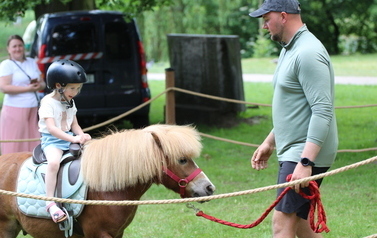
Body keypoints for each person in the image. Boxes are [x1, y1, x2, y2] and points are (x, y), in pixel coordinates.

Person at [249, 0, 338, 237]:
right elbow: (294, 108)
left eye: (267, 20)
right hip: (296, 150)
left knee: (282, 224)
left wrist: (306, 162)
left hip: (304, 152)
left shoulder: (308, 52)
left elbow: (322, 111)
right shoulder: (290, 48)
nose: (264, 27)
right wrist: (270, 141)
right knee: (301, 223)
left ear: (283, 16)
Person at [38, 59, 91, 223]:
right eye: (72, 88)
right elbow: (53, 129)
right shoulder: (47, 102)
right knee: (53, 163)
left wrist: (81, 136)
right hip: (52, 141)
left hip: (68, 137)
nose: (75, 92)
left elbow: (74, 124)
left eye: (78, 88)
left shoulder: (70, 101)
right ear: (58, 86)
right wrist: (73, 138)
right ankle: (50, 203)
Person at [0, 34, 45, 155]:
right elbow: (4, 87)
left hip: (32, 108)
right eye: (14, 46)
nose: (18, 49)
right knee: (15, 144)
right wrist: (27, 89)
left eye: (20, 45)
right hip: (15, 109)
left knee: (33, 142)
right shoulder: (6, 65)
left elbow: (43, 83)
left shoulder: (31, 62)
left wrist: (38, 86)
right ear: (9, 49)